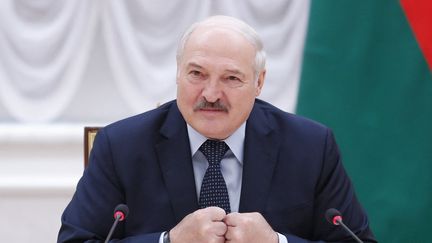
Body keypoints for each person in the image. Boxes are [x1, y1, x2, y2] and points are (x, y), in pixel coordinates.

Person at [58, 15, 376, 243]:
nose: (210, 94)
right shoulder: (121, 146)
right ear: (178, 74)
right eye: (197, 73)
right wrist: (168, 241)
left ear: (259, 83)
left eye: (231, 78)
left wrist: (277, 242)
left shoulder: (310, 146)